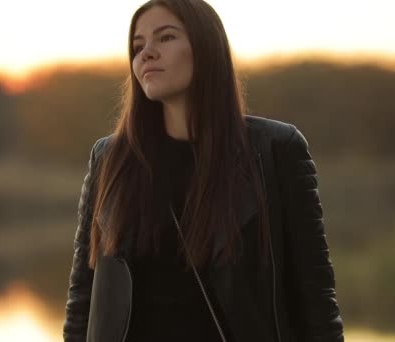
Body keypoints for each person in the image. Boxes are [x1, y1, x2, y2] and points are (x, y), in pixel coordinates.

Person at [63, 0, 344, 341]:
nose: (146, 53)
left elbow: (316, 302)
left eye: (165, 38)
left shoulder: (274, 150)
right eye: (138, 47)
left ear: (206, 47)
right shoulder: (111, 158)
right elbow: (82, 304)